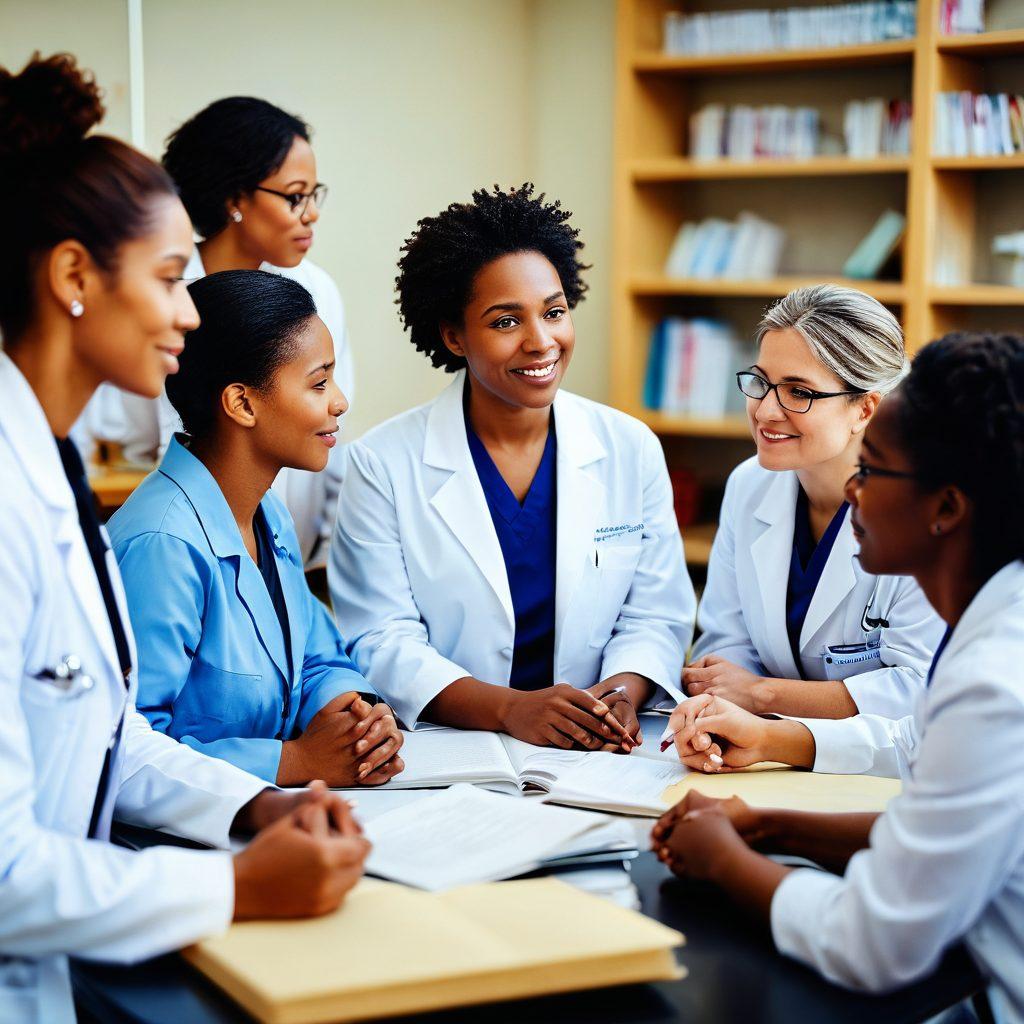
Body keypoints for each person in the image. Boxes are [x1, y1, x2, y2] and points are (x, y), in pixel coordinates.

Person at [0, 54, 368, 1024]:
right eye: (171, 278)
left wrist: (256, 807)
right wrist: (240, 886)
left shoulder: (51, 468)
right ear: (76, 275)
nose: (192, 313)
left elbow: (111, 734)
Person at [654, 332, 1024, 1020]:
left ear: (946, 509)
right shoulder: (999, 618)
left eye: (874, 470)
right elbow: (920, 765)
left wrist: (724, 860)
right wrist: (769, 825)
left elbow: (871, 943)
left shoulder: (996, 682)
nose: (853, 489)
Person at [329, 184, 695, 747]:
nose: (541, 342)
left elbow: (655, 613)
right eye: (505, 322)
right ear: (454, 336)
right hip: (453, 745)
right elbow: (381, 638)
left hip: (601, 748)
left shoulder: (629, 446)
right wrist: (511, 710)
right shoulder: (382, 463)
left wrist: (620, 694)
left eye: (554, 312)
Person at [109, 270, 404, 787]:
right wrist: (297, 762)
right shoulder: (162, 545)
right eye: (319, 383)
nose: (340, 402)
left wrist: (356, 717)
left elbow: (316, 657)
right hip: (179, 843)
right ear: (242, 403)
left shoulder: (268, 514)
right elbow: (127, 748)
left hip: (278, 815)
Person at [89, 96, 353, 564]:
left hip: (291, 553)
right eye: (295, 196)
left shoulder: (317, 292)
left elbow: (333, 424)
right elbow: (124, 428)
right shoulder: (165, 297)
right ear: (234, 198)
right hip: (192, 545)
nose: (310, 213)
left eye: (315, 194)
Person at [685, 284, 943, 721]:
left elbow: (920, 691)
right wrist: (726, 710)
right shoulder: (749, 485)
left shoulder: (931, 513)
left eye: (799, 392)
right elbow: (726, 644)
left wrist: (763, 696)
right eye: (761, 383)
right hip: (760, 752)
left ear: (865, 409)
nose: (766, 411)